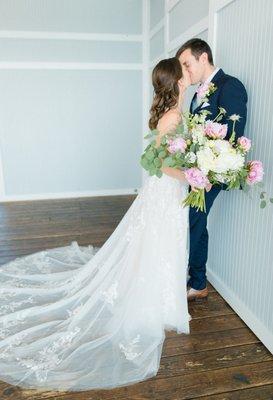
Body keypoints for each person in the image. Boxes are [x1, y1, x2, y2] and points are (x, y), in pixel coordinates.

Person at [0, 58, 192, 391]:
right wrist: (193, 176)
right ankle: (160, 301)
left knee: (158, 243)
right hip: (168, 190)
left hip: (165, 191)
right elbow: (163, 163)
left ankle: (164, 298)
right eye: (184, 71)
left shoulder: (171, 113)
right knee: (162, 242)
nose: (188, 75)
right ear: (176, 81)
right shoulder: (173, 116)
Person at [176, 38, 248, 301]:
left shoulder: (231, 86)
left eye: (187, 64)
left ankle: (197, 282)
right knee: (194, 220)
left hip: (215, 171)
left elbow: (232, 136)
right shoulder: (198, 93)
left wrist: (209, 172)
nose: (185, 71)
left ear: (203, 57)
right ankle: (196, 278)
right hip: (198, 169)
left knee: (194, 219)